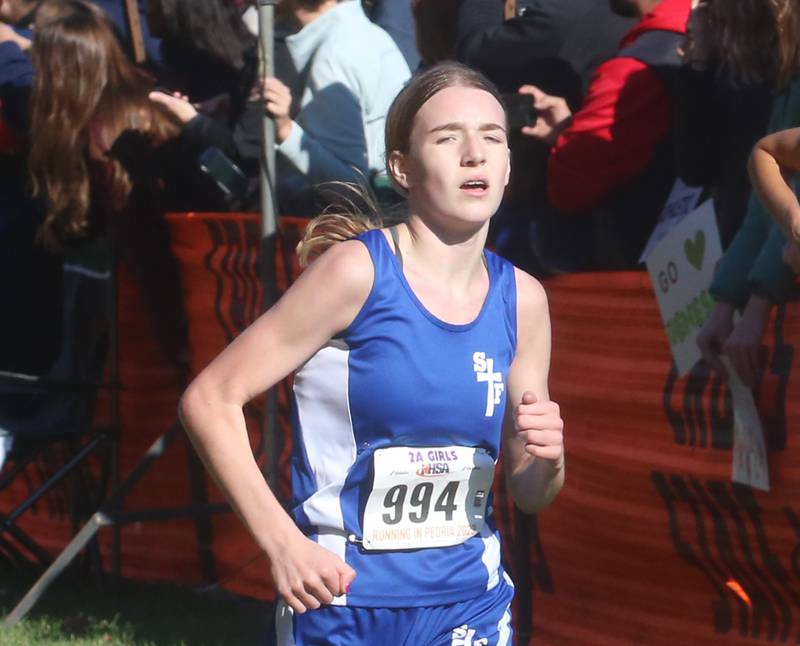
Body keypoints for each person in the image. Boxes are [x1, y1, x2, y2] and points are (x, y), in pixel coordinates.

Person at [179, 61, 565, 645]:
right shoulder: (356, 273)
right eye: (447, 138)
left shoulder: (525, 301)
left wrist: (550, 459)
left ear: (510, 164)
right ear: (402, 169)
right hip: (345, 598)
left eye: (491, 137)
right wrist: (283, 544)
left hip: (468, 601)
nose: (473, 154)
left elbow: (529, 492)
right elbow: (210, 399)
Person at [519, 0, 691, 272]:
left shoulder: (631, 71)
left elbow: (570, 185)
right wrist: (569, 130)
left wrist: (567, 147)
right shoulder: (722, 38)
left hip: (642, 285)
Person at [260, 0, 411, 215]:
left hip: (372, 231)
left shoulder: (335, 55)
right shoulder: (363, 35)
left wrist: (285, 131)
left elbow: (352, 189)